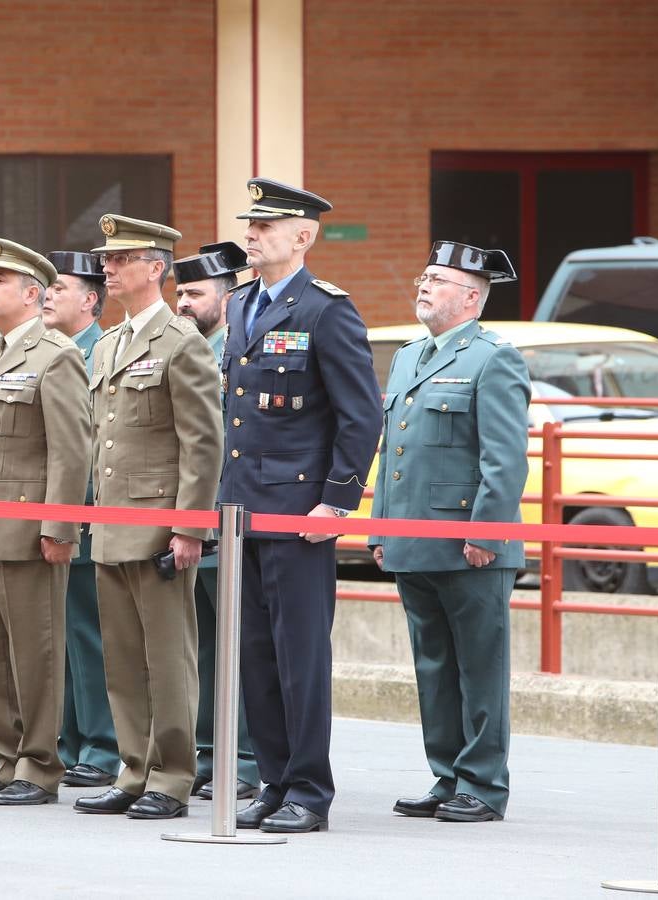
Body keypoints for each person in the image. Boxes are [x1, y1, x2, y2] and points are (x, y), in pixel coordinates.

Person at [219, 178, 381, 833]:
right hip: (243, 510)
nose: (251, 236)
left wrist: (336, 503)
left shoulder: (325, 310)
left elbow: (360, 415)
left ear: (303, 236)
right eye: (249, 225)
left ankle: (310, 789)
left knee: (300, 657)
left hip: (299, 514)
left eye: (265, 227)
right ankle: (273, 778)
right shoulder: (238, 305)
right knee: (255, 654)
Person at [369, 241, 531, 823]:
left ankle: (483, 784)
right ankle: (446, 775)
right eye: (423, 276)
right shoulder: (410, 356)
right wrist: (381, 530)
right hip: (414, 540)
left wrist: (485, 532)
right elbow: (394, 453)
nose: (422, 285)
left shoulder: (493, 358)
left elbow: (504, 460)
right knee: (433, 665)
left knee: (478, 667)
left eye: (436, 279)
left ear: (470, 296)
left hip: (471, 546)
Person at [74, 214, 222, 821]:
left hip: (159, 524)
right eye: (106, 260)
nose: (107, 269)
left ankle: (172, 775)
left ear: (155, 267)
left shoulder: (182, 340)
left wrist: (189, 525)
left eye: (120, 259)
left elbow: (201, 441)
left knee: (167, 658)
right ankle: (132, 769)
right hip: (111, 522)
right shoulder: (109, 343)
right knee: (123, 656)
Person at [0, 238, 92, 806]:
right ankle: (5, 758)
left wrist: (59, 527)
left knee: (34, 651)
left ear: (32, 293)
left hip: (27, 532)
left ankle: (38, 763)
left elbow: (70, 450)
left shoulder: (56, 355)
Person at [172, 241, 262, 800]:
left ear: (226, 299)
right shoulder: (191, 349)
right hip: (194, 520)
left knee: (239, 643)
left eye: (195, 294)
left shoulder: (237, 350)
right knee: (204, 646)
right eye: (178, 292)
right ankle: (208, 754)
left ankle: (245, 761)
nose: (183, 303)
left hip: (230, 518)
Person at [43, 250, 120, 789]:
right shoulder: (47, 352)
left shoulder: (105, 352)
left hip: (92, 513)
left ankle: (102, 745)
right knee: (61, 635)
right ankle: (66, 742)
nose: (47, 295)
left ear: (90, 300)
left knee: (94, 637)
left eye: (60, 287)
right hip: (52, 514)